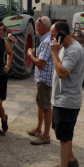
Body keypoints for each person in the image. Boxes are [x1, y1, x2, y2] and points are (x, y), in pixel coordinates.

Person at [42, 21, 84, 167]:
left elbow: (62, 73)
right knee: (61, 132)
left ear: (62, 34)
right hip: (60, 99)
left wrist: (54, 53)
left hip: (68, 100)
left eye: (53, 35)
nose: (51, 39)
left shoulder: (73, 50)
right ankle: (71, 160)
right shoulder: (64, 48)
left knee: (64, 137)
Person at [27, 16, 54, 145]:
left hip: (44, 79)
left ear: (43, 28)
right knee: (40, 104)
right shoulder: (46, 39)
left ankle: (46, 135)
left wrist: (30, 55)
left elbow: (40, 64)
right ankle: (38, 129)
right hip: (42, 79)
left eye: (37, 27)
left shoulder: (46, 41)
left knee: (46, 107)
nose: (36, 29)